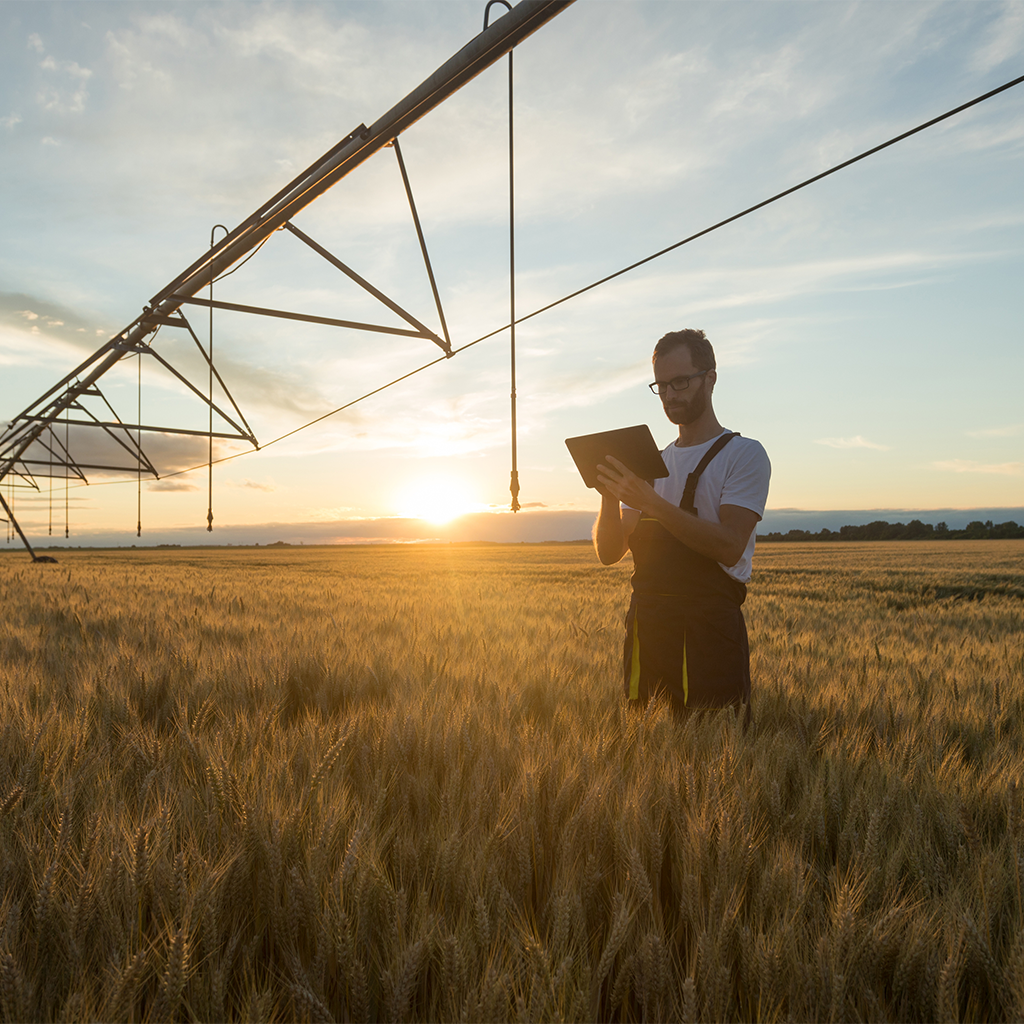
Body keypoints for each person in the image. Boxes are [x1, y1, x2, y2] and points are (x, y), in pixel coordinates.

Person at [593, 329, 770, 719]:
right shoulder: (650, 463)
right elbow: (609, 553)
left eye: (681, 382)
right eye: (661, 386)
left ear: (710, 378)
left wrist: (650, 501)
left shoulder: (744, 455)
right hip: (648, 631)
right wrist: (608, 492)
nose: (671, 395)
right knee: (647, 757)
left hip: (709, 634)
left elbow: (729, 545)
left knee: (713, 755)